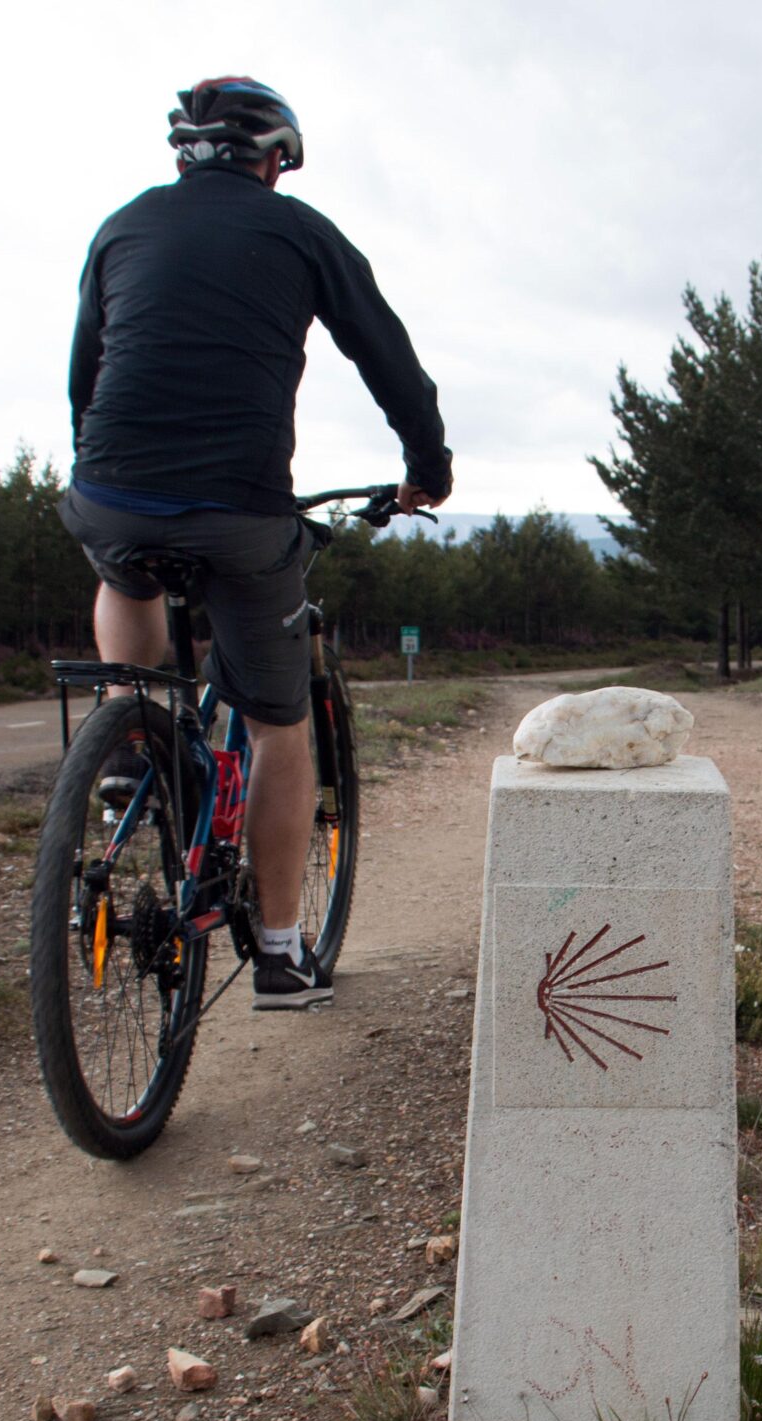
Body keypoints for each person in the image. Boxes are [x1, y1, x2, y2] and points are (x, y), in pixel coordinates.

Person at [62, 76, 450, 1010]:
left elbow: (87, 371)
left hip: (109, 488)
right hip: (239, 511)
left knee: (128, 571)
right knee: (279, 724)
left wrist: (105, 468)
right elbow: (383, 350)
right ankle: (278, 954)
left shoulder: (121, 227)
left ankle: (128, 743)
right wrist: (426, 467)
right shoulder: (301, 232)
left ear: (185, 153)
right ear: (273, 157)